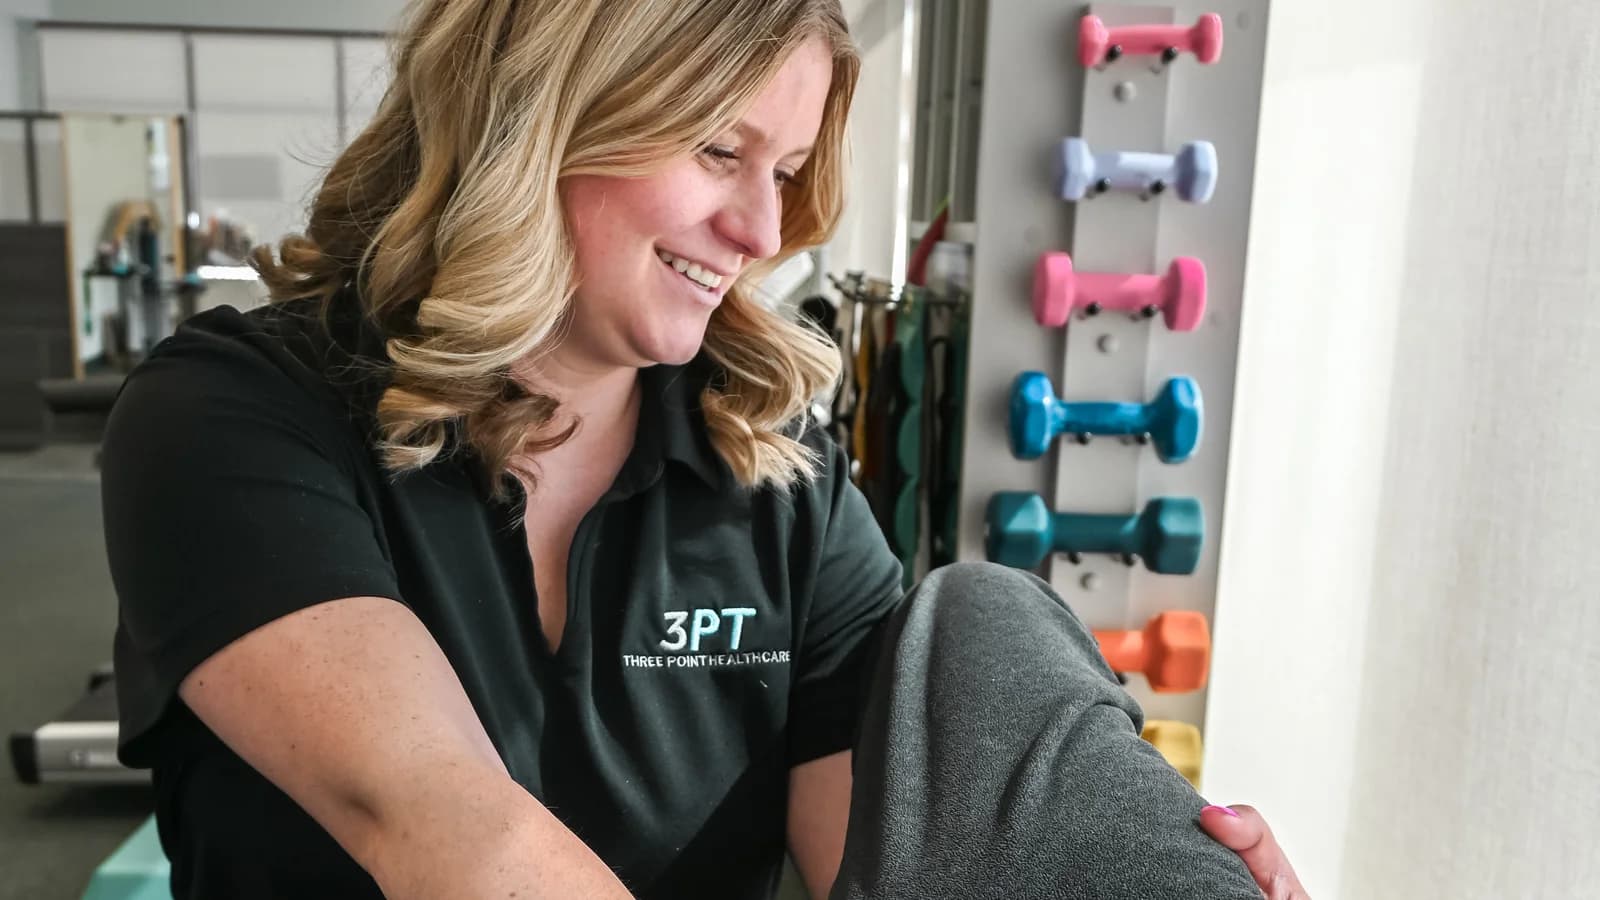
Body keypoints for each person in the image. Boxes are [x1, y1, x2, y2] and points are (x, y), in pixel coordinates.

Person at [100, 1, 1310, 897]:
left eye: (784, 172)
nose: (762, 228)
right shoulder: (234, 416)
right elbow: (443, 830)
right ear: (537, 127)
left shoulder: (776, 481)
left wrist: (1124, 864)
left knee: (990, 621)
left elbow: (885, 866)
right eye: (718, 153)